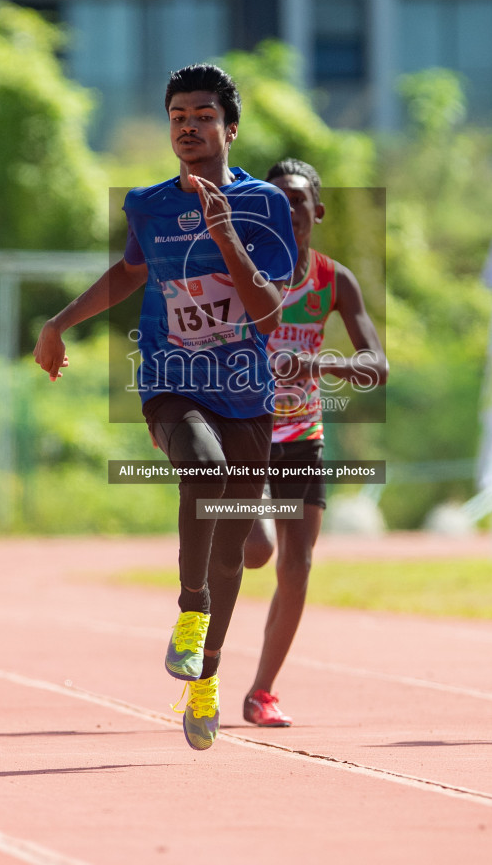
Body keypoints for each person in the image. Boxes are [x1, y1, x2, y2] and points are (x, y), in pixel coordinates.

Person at [34, 64, 295, 750]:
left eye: (203, 115)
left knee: (236, 552)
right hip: (171, 378)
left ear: (229, 129)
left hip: (247, 391)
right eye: (178, 115)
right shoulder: (147, 205)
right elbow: (130, 271)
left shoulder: (265, 204)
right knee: (202, 471)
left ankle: (204, 681)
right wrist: (60, 323)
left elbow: (269, 315)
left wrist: (225, 232)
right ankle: (190, 611)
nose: (188, 126)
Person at [239, 158, 387, 727]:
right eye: (275, 200)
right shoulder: (243, 275)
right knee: (257, 551)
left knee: (296, 564)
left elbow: (377, 365)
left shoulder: (334, 280)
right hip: (246, 430)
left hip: (302, 434)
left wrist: (317, 363)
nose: (288, 210)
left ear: (315, 212)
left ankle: (261, 692)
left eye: (297, 200)